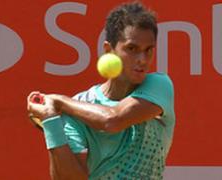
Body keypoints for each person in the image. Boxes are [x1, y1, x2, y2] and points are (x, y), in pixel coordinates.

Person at [27, 1, 175, 179]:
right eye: (132, 49)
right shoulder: (78, 107)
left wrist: (60, 101)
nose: (142, 59)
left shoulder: (159, 85)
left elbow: (112, 120)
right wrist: (51, 121)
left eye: (148, 50)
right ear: (108, 50)